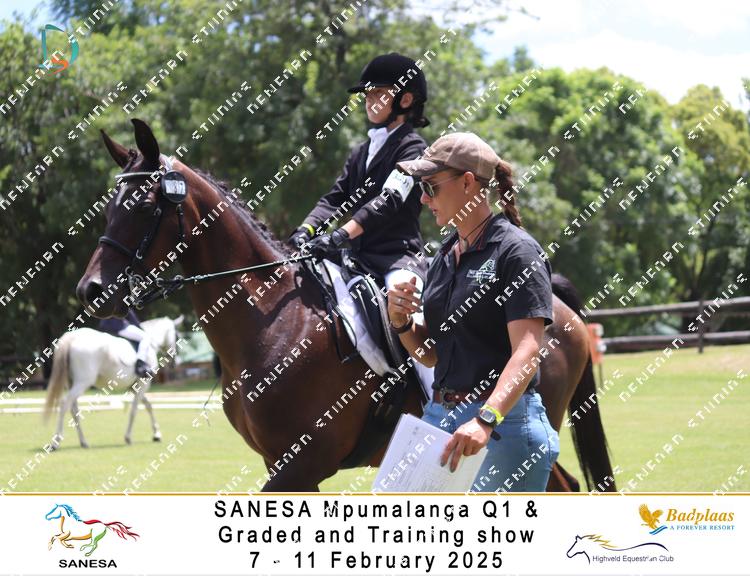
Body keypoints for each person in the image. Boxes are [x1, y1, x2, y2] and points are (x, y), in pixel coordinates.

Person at [387, 132, 560, 492]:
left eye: (431, 187)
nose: (423, 198)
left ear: (468, 183)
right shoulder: (444, 256)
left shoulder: (517, 251)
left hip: (502, 426)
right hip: (440, 417)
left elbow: (527, 350)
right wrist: (401, 323)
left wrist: (485, 419)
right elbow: (433, 355)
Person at [288, 52, 430, 298]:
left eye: (378, 93)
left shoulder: (414, 149)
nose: (369, 100)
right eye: (367, 95)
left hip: (397, 260)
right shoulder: (360, 152)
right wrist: (306, 229)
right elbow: (335, 199)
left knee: (407, 310)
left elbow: (389, 199)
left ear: (405, 100)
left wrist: (341, 234)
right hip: (355, 258)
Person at [98, 309, 154, 378]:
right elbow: (131, 317)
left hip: (104, 327)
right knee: (145, 337)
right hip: (118, 326)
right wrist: (140, 328)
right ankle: (140, 362)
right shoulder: (122, 302)